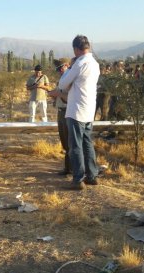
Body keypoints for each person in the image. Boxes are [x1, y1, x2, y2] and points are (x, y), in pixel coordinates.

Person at [57, 35, 100, 190]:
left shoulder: (79, 63)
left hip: (76, 110)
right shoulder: (95, 63)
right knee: (87, 143)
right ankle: (92, 175)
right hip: (89, 110)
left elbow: (62, 83)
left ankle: (78, 179)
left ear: (76, 49)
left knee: (75, 145)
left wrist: (69, 67)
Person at [48, 58, 72, 176]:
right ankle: (68, 168)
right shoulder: (62, 79)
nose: (59, 70)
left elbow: (69, 97)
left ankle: (71, 168)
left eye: (61, 67)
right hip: (61, 111)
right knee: (64, 141)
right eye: (58, 69)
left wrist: (57, 94)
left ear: (67, 65)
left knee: (69, 141)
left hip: (68, 111)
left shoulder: (70, 79)